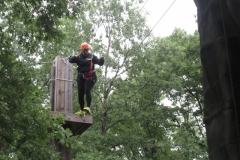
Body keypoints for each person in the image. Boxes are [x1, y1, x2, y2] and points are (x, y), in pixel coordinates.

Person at [69, 42, 104, 115]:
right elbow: (70, 60)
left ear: (88, 50)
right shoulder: (79, 57)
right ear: (82, 50)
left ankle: (88, 107)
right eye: (84, 50)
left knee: (87, 90)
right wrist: (75, 57)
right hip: (81, 76)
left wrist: (101, 59)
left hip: (91, 76)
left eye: (86, 50)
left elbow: (99, 63)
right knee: (80, 93)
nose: (85, 52)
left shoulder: (92, 57)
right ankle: (82, 110)